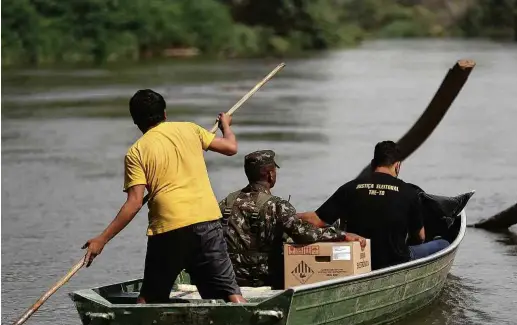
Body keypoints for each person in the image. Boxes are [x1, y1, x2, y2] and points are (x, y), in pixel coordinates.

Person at [82, 89, 246, 304]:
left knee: (148, 299)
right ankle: (244, 319)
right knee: (230, 293)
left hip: (169, 227)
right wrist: (226, 126)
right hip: (207, 221)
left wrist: (101, 240)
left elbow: (133, 204)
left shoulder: (137, 151)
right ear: (165, 114)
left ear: (135, 121)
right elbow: (231, 147)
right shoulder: (190, 129)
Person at [218, 150, 366, 288]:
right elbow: (305, 234)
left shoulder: (226, 202)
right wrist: (342, 234)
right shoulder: (277, 205)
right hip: (263, 278)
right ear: (270, 175)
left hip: (230, 276)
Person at [298, 141, 449, 270]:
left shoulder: (350, 188)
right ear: (397, 166)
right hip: (396, 260)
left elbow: (317, 220)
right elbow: (420, 237)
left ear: (372, 164)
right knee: (442, 243)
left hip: (359, 260)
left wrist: (285, 214)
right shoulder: (409, 192)